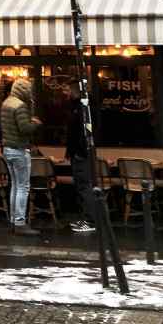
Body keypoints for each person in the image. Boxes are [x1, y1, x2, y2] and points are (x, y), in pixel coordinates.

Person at [0, 78, 41, 236]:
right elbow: (24, 129)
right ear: (24, 90)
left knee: (15, 186)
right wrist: (35, 123)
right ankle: (20, 223)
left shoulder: (6, 103)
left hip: (7, 149)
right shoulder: (20, 105)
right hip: (19, 150)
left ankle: (13, 220)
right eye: (29, 89)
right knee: (23, 187)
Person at [65, 83, 96, 233]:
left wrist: (79, 152)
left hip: (81, 154)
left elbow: (81, 133)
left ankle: (90, 220)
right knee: (82, 186)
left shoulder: (82, 109)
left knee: (84, 186)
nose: (66, 92)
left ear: (75, 91)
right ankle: (86, 218)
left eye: (68, 90)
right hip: (78, 153)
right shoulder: (78, 107)